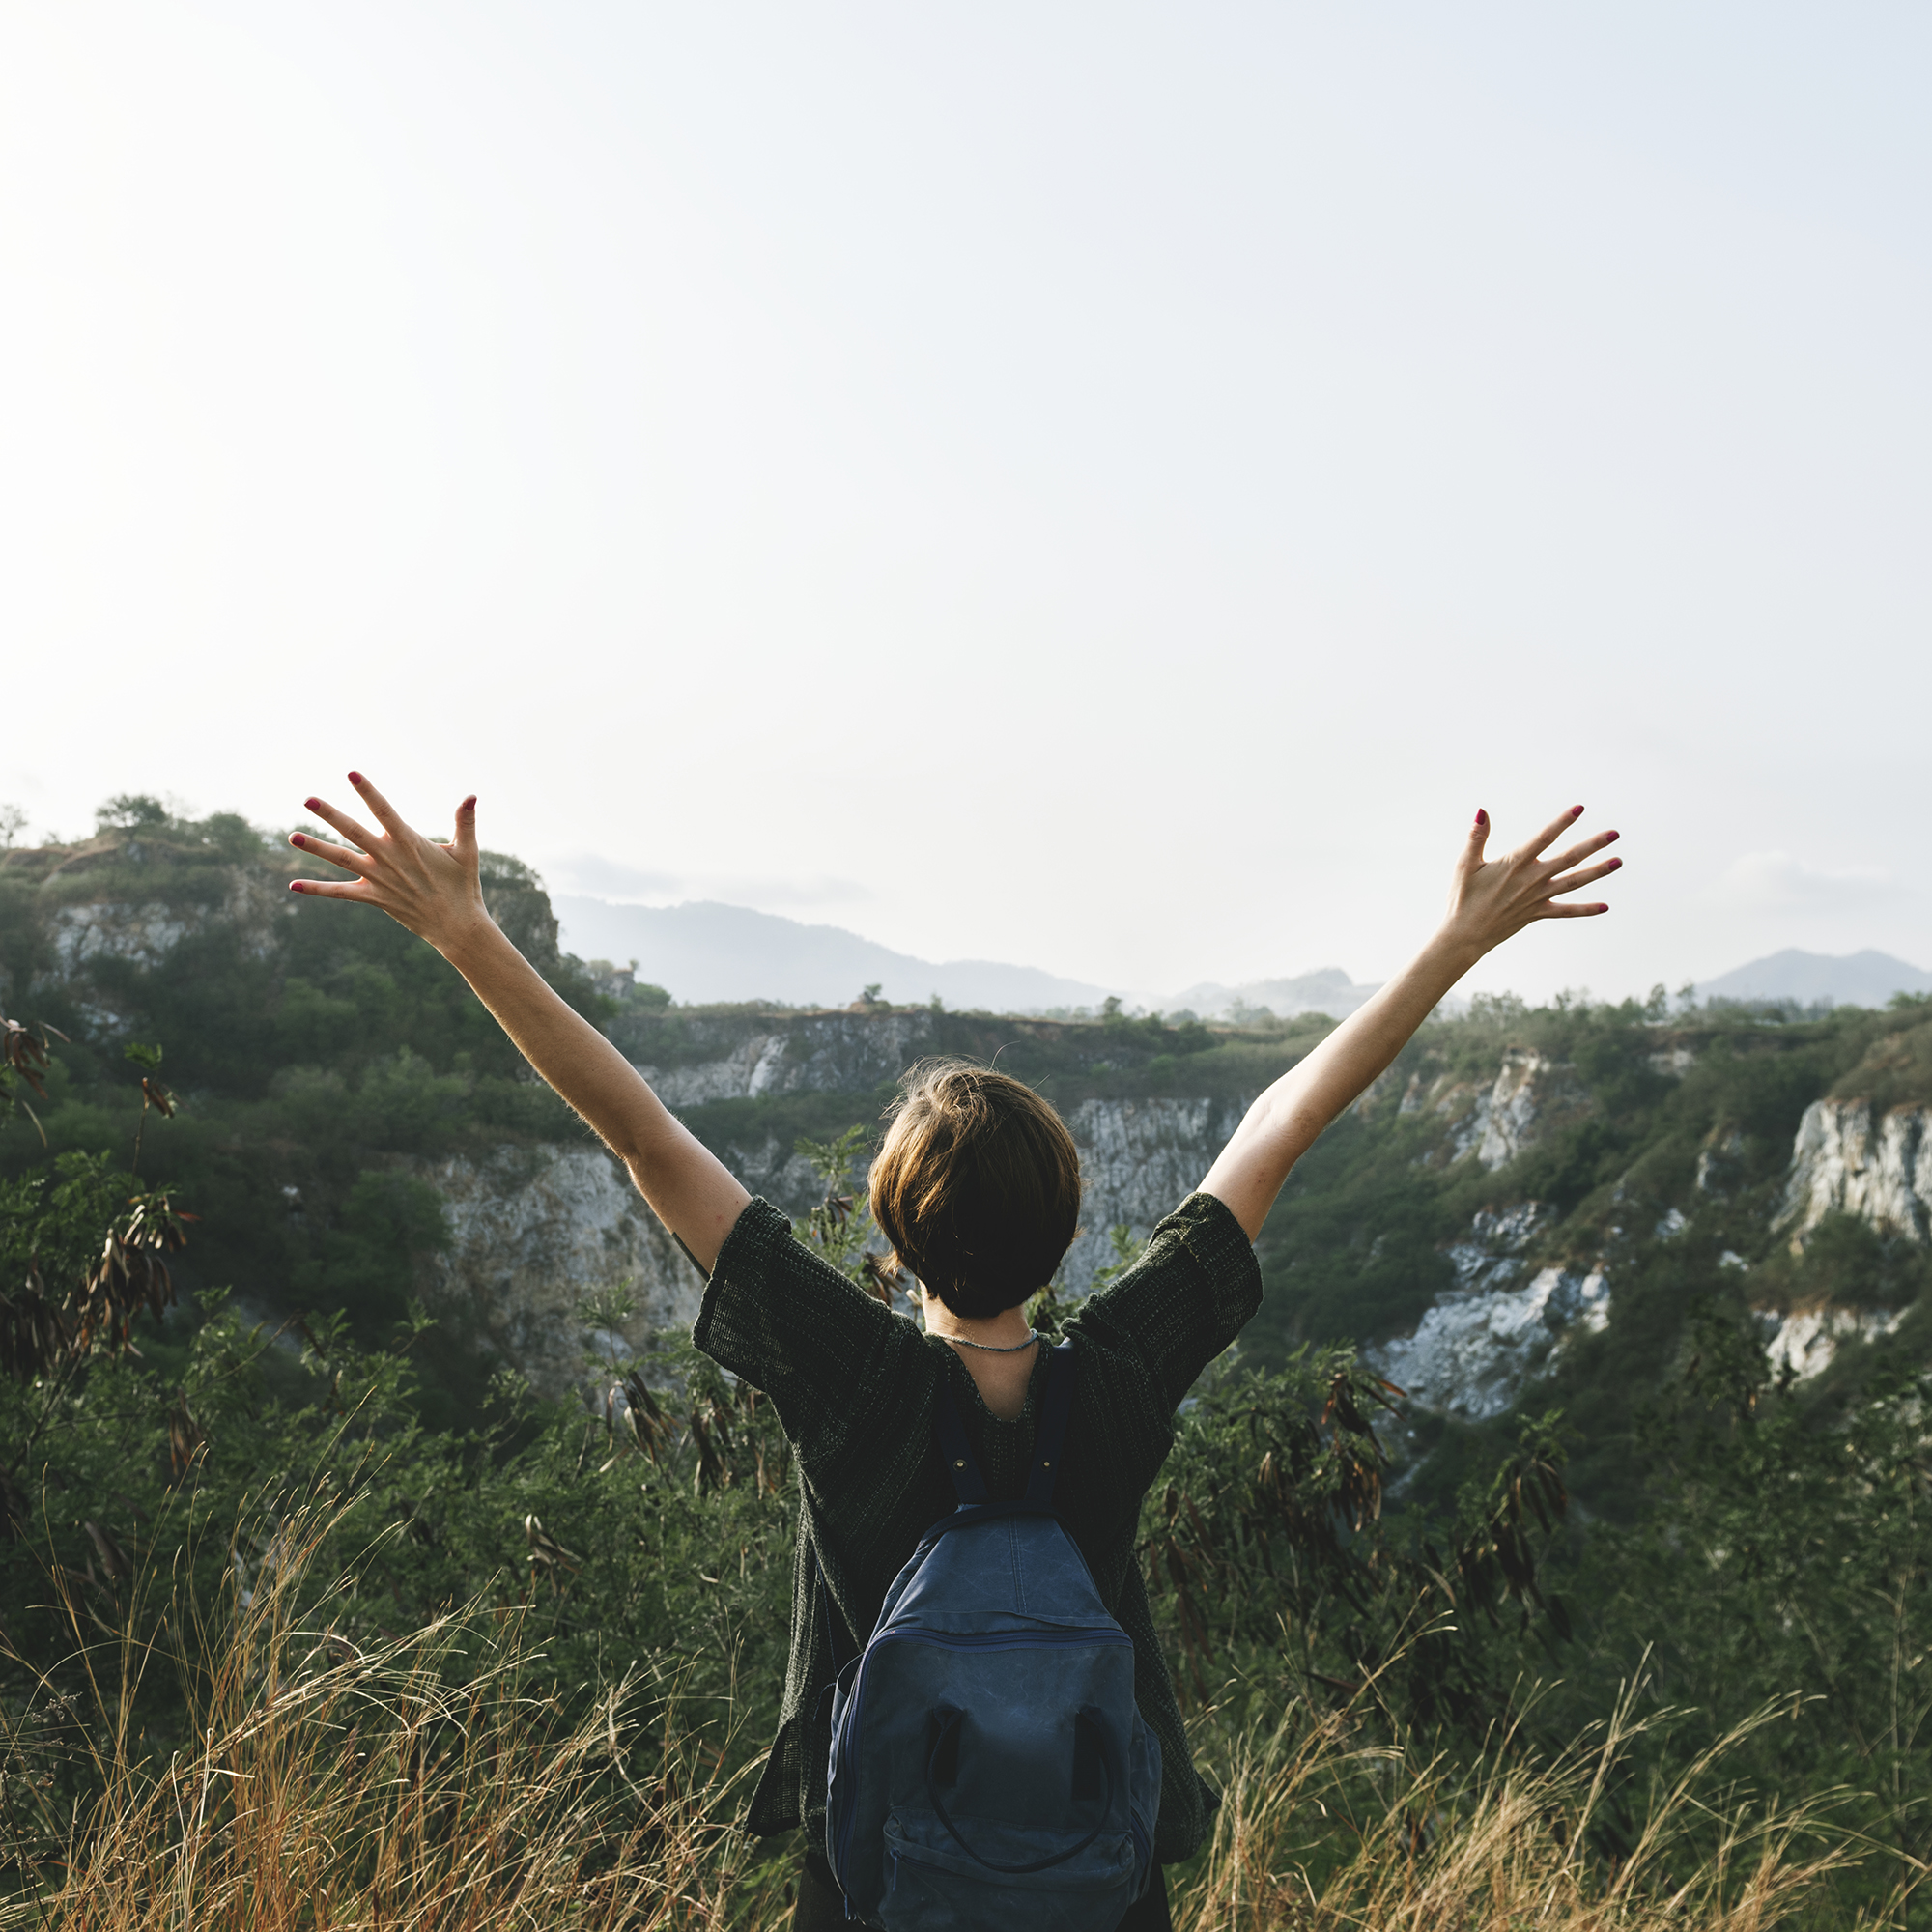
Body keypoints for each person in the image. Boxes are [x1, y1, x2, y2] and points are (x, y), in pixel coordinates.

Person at [288, 776, 1621, 1927]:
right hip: (1098, 1872)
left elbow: (642, 1135)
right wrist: (1453, 946)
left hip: (877, 1873)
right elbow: (1279, 1124)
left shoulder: (853, 1381)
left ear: (892, 1231)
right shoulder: (1120, 1377)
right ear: (1070, 1225)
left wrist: (464, 935)